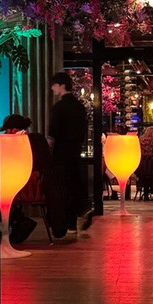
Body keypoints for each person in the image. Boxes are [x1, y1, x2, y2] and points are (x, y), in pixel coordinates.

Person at [48, 71, 93, 237]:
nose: (52, 89)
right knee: (73, 183)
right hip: (75, 150)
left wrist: (48, 151)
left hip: (61, 152)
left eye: (54, 85)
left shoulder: (59, 108)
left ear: (61, 85)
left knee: (63, 187)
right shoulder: (79, 107)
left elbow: (52, 134)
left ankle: (70, 221)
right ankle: (80, 212)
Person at [1, 113, 56, 245]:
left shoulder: (20, 144)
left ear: (14, 130)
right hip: (40, 187)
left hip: (29, 188)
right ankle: (17, 221)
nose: (5, 134)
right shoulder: (38, 139)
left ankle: (13, 225)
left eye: (6, 131)